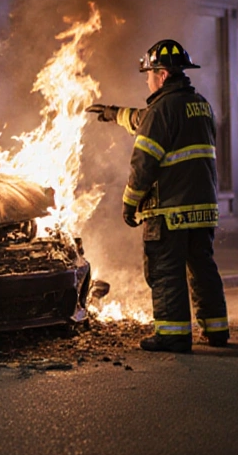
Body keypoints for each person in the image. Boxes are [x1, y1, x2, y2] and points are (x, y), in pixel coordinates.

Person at [87, 39, 228, 353]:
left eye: (149, 74)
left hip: (169, 211)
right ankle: (217, 329)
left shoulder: (162, 109)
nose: (147, 81)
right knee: (203, 268)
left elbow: (144, 164)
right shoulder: (200, 105)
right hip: (203, 208)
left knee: (165, 272)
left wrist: (129, 204)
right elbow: (148, 120)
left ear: (162, 75)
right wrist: (114, 113)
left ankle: (173, 336)